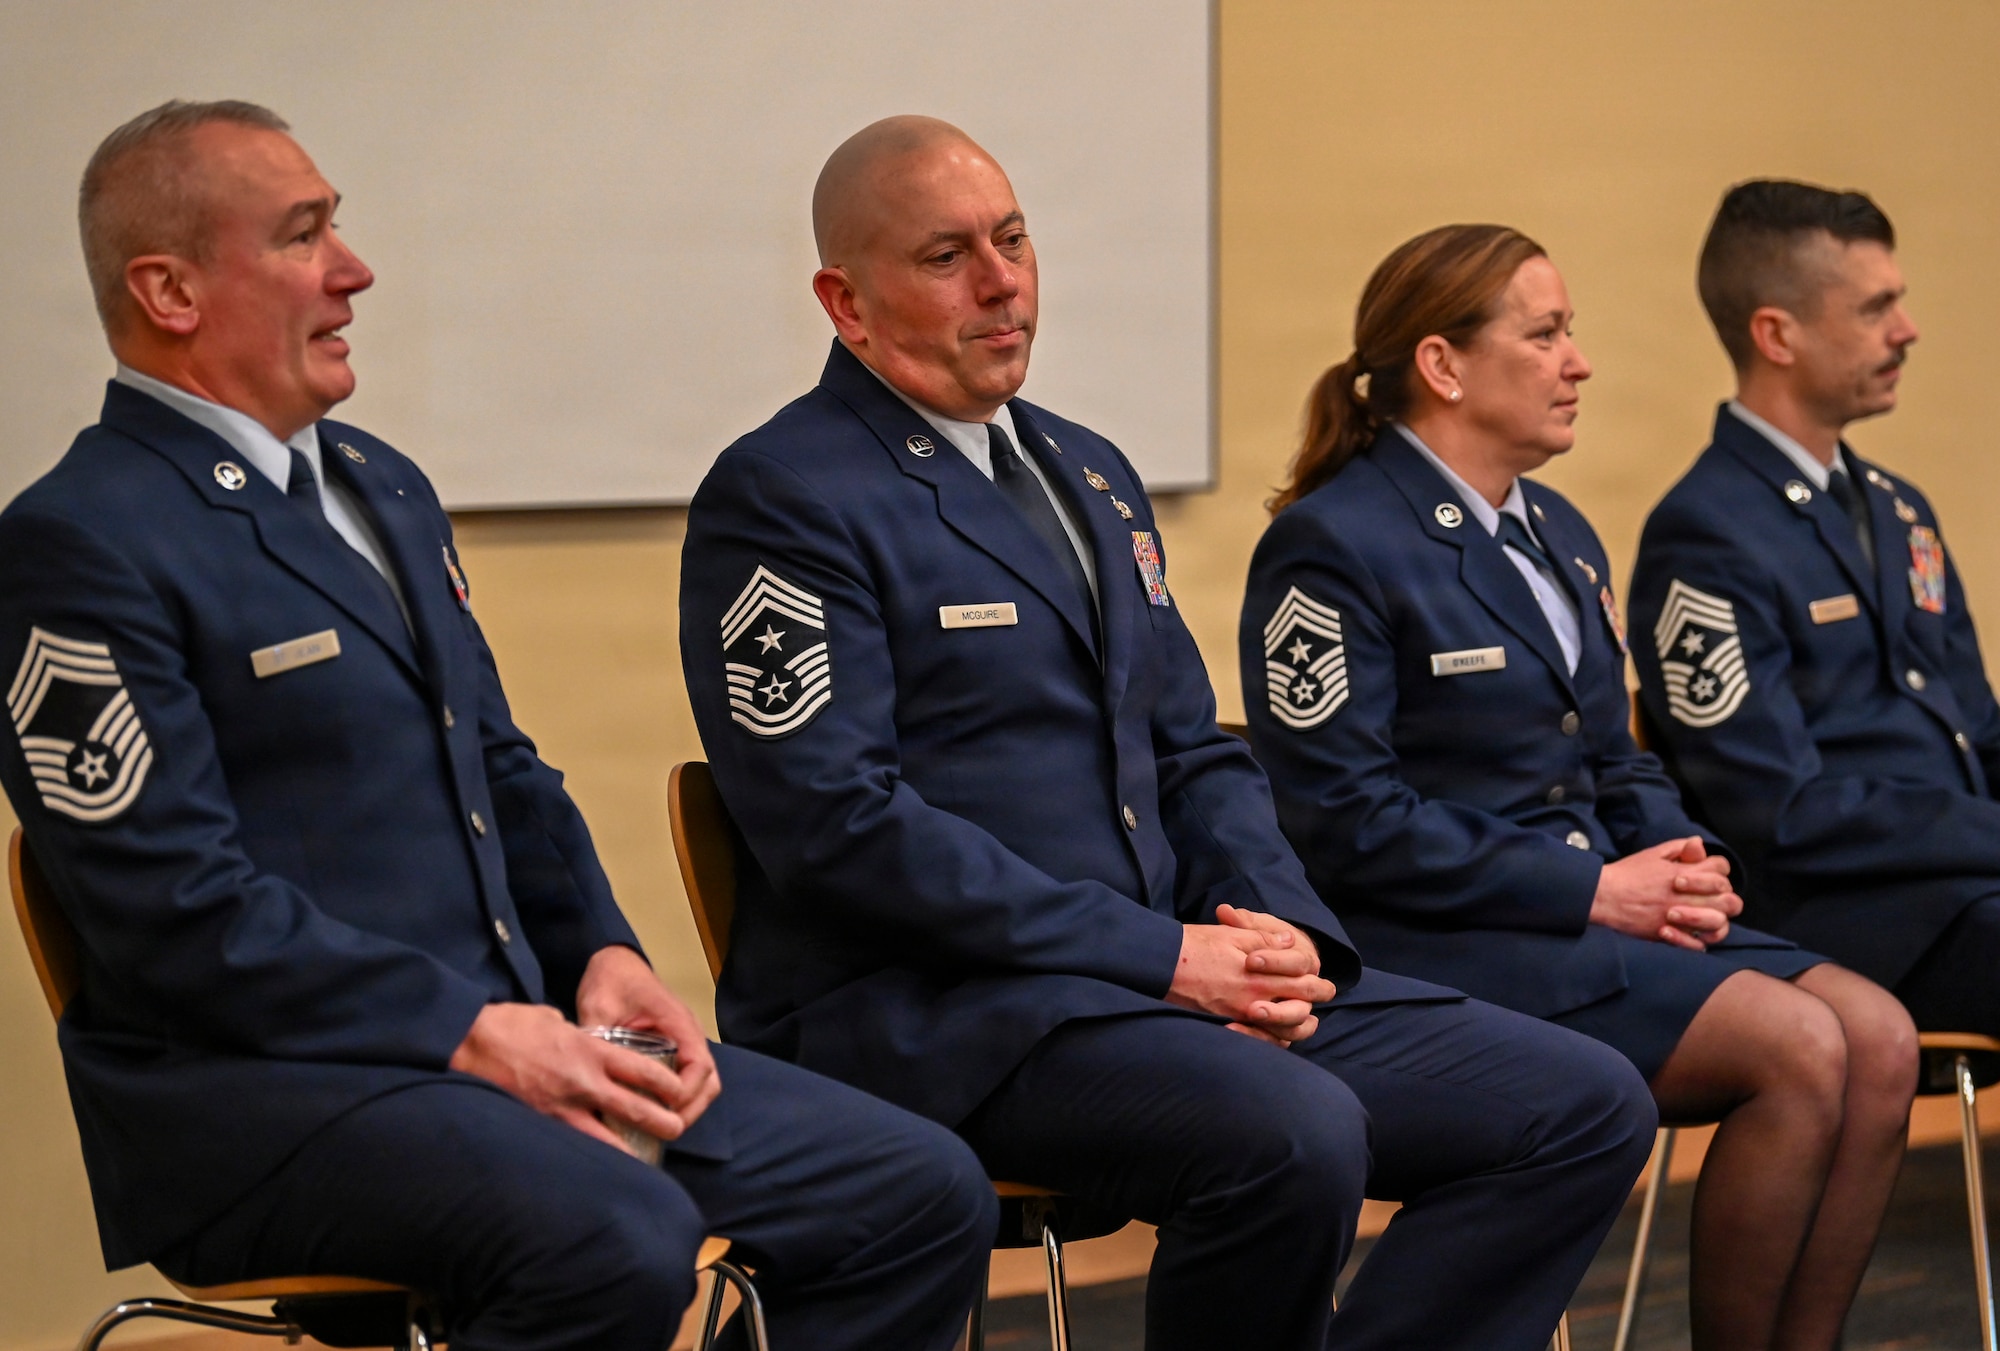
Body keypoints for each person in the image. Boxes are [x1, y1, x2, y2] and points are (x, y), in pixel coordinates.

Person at [0, 100, 997, 1351]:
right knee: (611, 1237)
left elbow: (504, 774)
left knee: (911, 1190)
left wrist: (604, 953)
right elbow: (171, 909)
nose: (353, 271)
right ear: (171, 290)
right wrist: (471, 1031)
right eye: (304, 237)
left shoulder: (380, 484)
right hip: (270, 1096)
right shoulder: (79, 542)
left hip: (511, 1040)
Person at [679, 115, 1658, 1351]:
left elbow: (1193, 749)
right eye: (945, 257)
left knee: (1577, 1104)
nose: (1001, 282)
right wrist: (1157, 954)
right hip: (950, 1011)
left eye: (1014, 240)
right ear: (845, 300)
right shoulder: (787, 491)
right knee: (1290, 1133)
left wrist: (1273, 929)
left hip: (1156, 983)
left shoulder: (1086, 471)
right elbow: (839, 824)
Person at [1238, 223, 1917, 1351]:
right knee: (1798, 1047)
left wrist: (1681, 863)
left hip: (1596, 911)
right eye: (1544, 333)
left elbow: (1616, 758)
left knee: (1880, 1037)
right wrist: (1592, 889)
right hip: (1444, 936)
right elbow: (1339, 820)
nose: (1577, 361)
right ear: (1442, 365)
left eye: (1570, 331)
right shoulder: (1334, 543)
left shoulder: (1557, 531)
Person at [1630, 181, 2000, 1043]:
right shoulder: (1705, 532)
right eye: (1876, 308)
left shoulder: (1895, 508)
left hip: (1966, 887)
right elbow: (1781, 811)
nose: (1906, 330)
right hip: (1853, 921)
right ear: (1777, 334)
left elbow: (1975, 726)